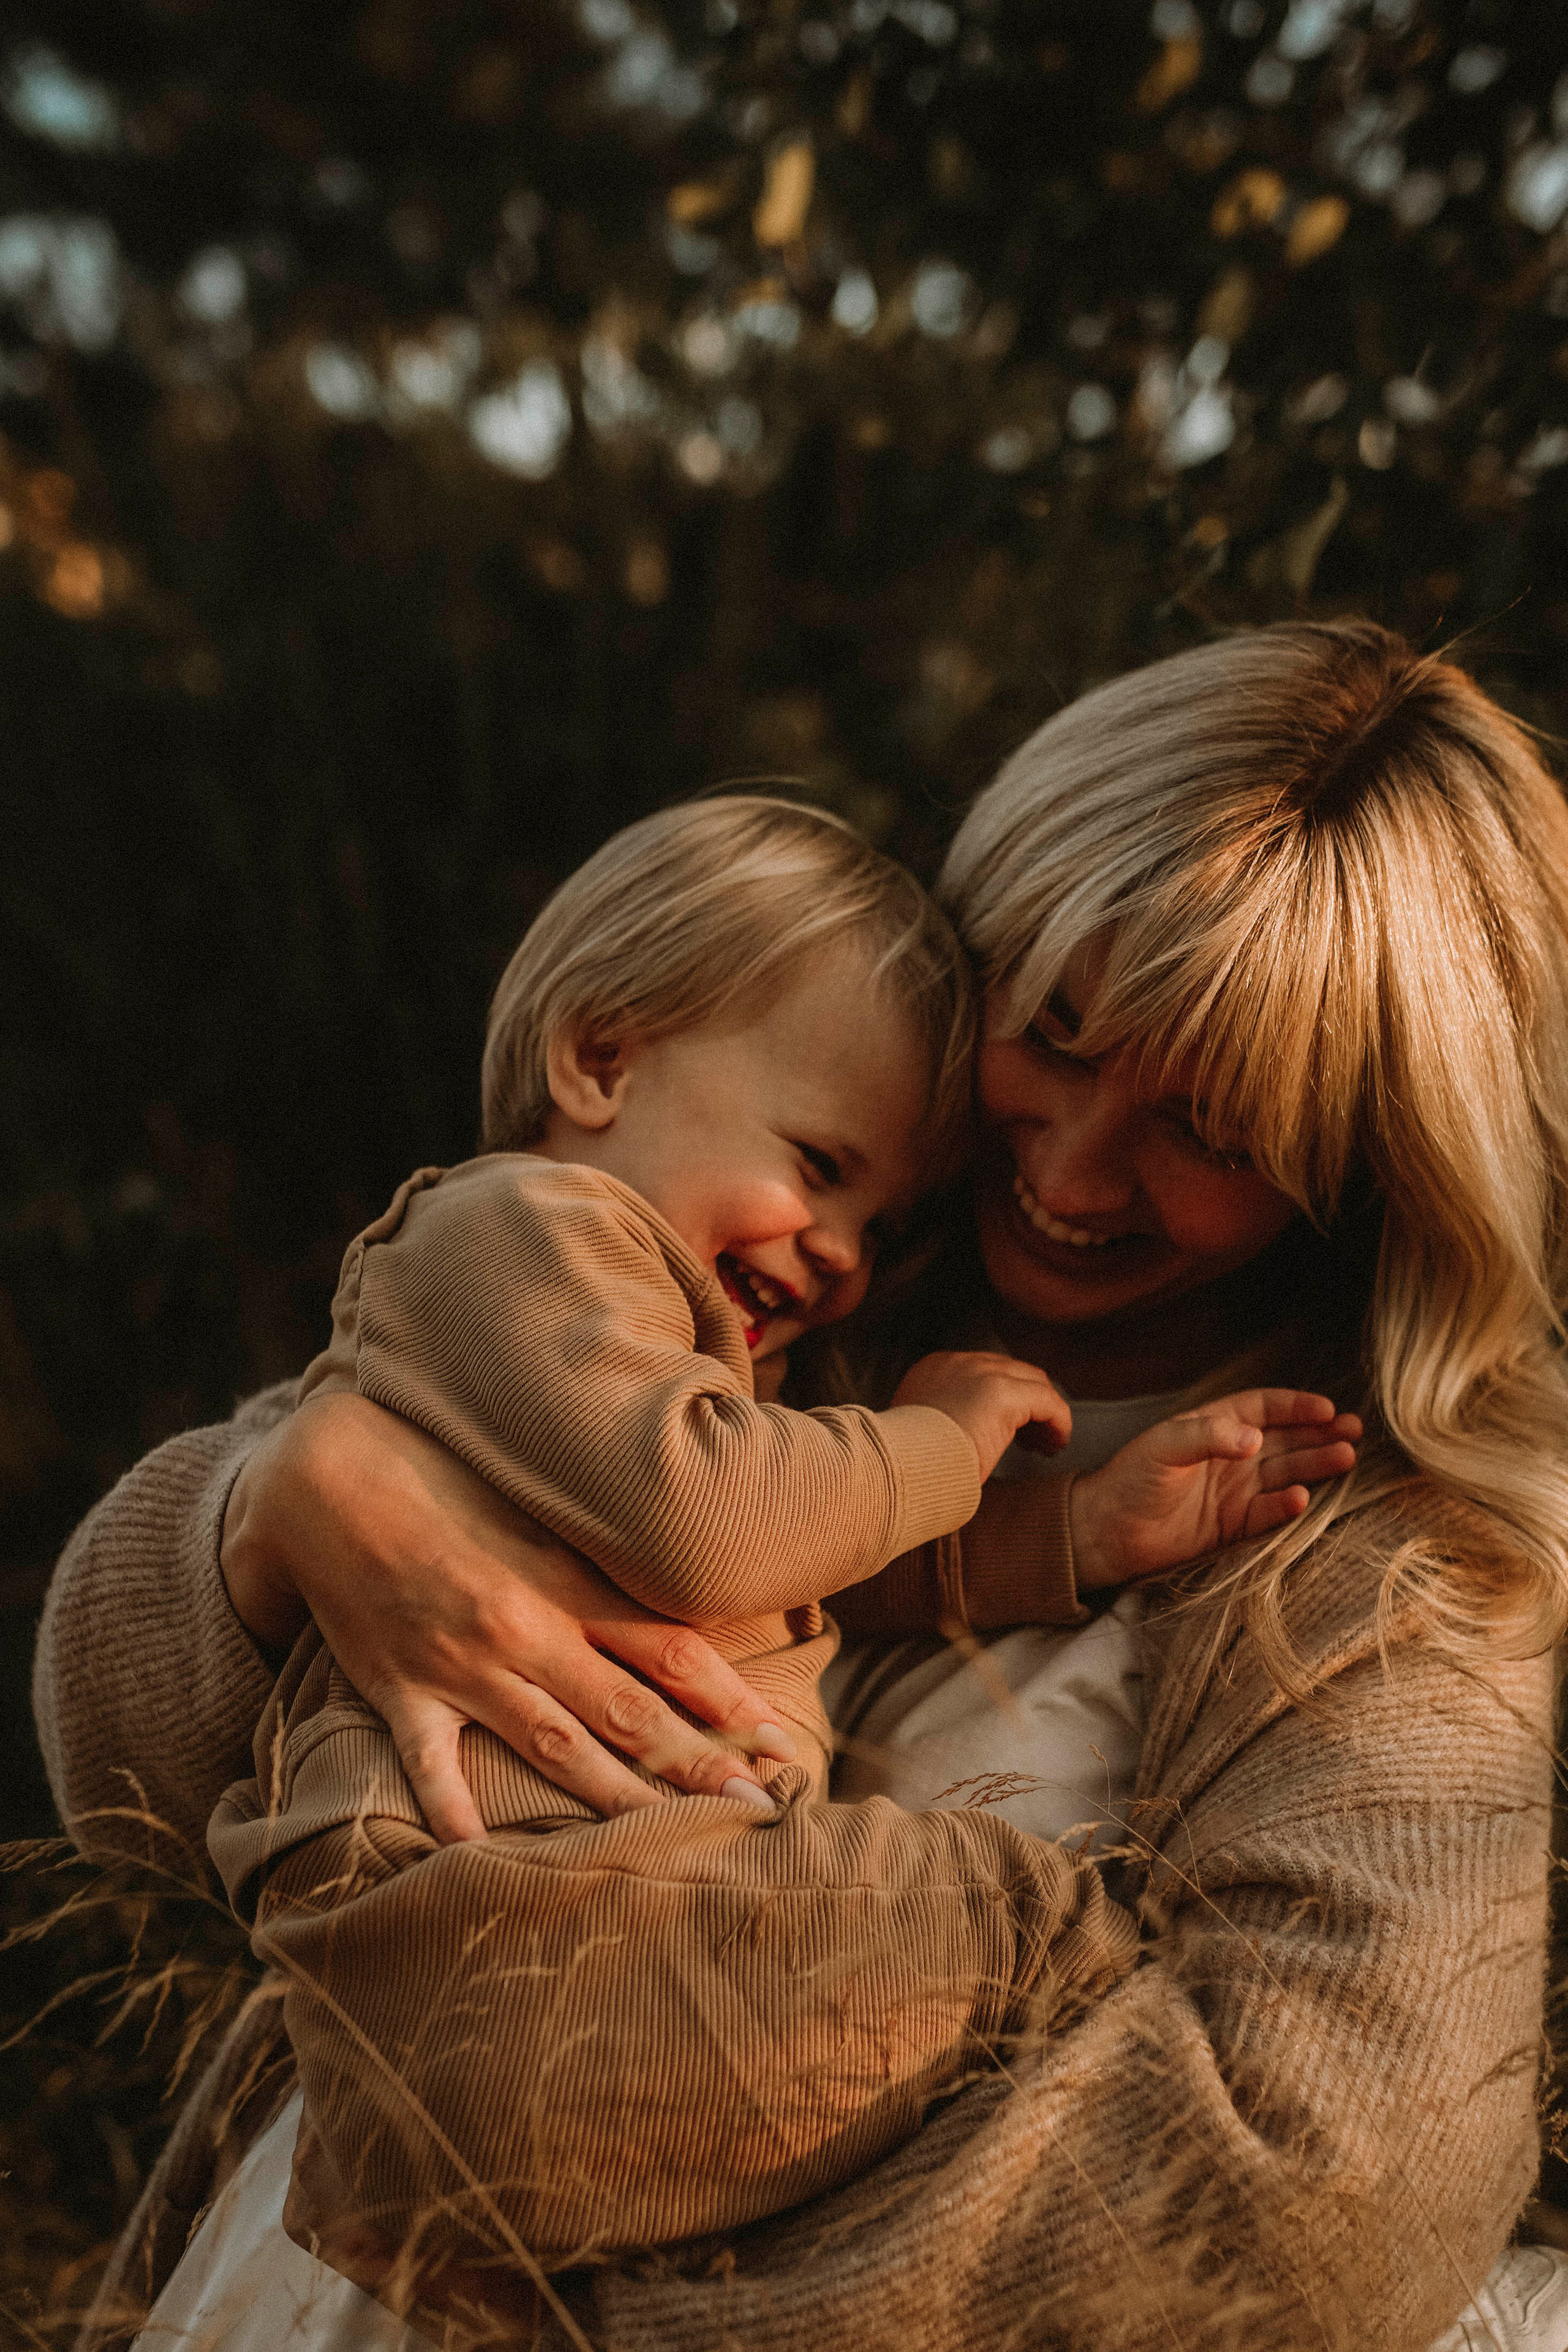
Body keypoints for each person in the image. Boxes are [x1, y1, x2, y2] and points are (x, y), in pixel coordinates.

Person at [37, 620, 1568, 2352]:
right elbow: (118, 1791)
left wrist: (602, 2313)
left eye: (1210, 1130)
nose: (1074, 1176)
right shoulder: (768, 1278)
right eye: (1055, 1036)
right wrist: (280, 1515)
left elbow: (1321, 2189)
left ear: (1361, 1164)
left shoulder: (1374, 1558)